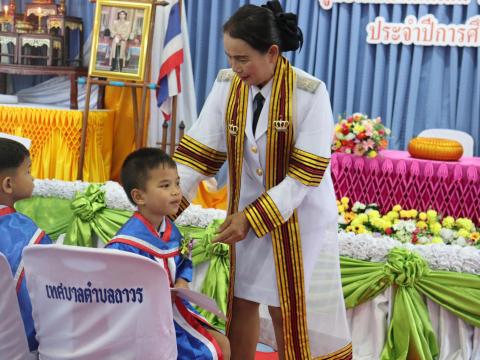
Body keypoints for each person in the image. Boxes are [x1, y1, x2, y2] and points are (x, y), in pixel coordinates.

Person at [172, 1, 351, 359]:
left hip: (299, 216)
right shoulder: (227, 86)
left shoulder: (310, 93)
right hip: (246, 209)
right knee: (241, 299)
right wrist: (166, 202)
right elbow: (198, 153)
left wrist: (251, 218)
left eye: (242, 59)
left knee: (284, 308)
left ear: (272, 53)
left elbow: (303, 177)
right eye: (229, 57)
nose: (234, 68)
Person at [105, 148, 230, 360]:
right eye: (165, 186)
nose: (176, 192)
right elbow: (116, 293)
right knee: (210, 351)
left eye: (177, 183)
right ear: (139, 196)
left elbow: (183, 263)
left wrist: (182, 282)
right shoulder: (126, 244)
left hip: (175, 311)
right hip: (143, 324)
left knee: (221, 344)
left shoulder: (172, 231)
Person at [0, 138, 52, 351]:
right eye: (28, 171)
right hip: (18, 347)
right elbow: (44, 298)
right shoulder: (27, 234)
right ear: (8, 184)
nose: (33, 178)